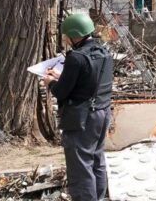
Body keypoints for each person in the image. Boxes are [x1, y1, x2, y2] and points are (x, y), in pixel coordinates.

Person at [43, 14, 114, 201]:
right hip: (103, 112)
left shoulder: (76, 57)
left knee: (80, 167)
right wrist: (62, 75)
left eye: (66, 35)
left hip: (82, 118)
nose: (65, 39)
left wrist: (50, 82)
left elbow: (61, 92)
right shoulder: (103, 52)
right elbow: (88, 81)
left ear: (74, 35)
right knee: (97, 161)